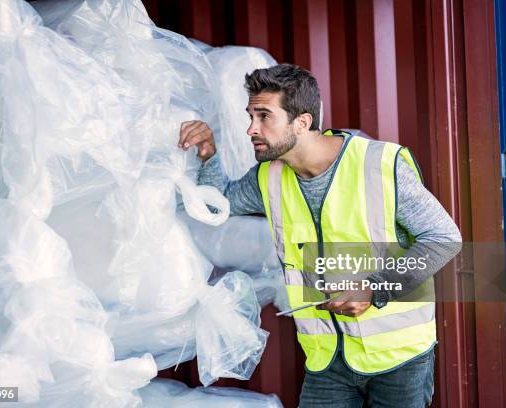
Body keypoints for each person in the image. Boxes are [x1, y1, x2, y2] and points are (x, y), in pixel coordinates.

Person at [177, 63, 461, 408]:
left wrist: (375, 288)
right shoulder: (269, 176)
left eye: (264, 116)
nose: (252, 128)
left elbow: (444, 238)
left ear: (303, 122)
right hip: (326, 358)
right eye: (250, 116)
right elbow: (216, 204)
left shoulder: (379, 165)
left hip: (399, 357)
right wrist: (207, 150)